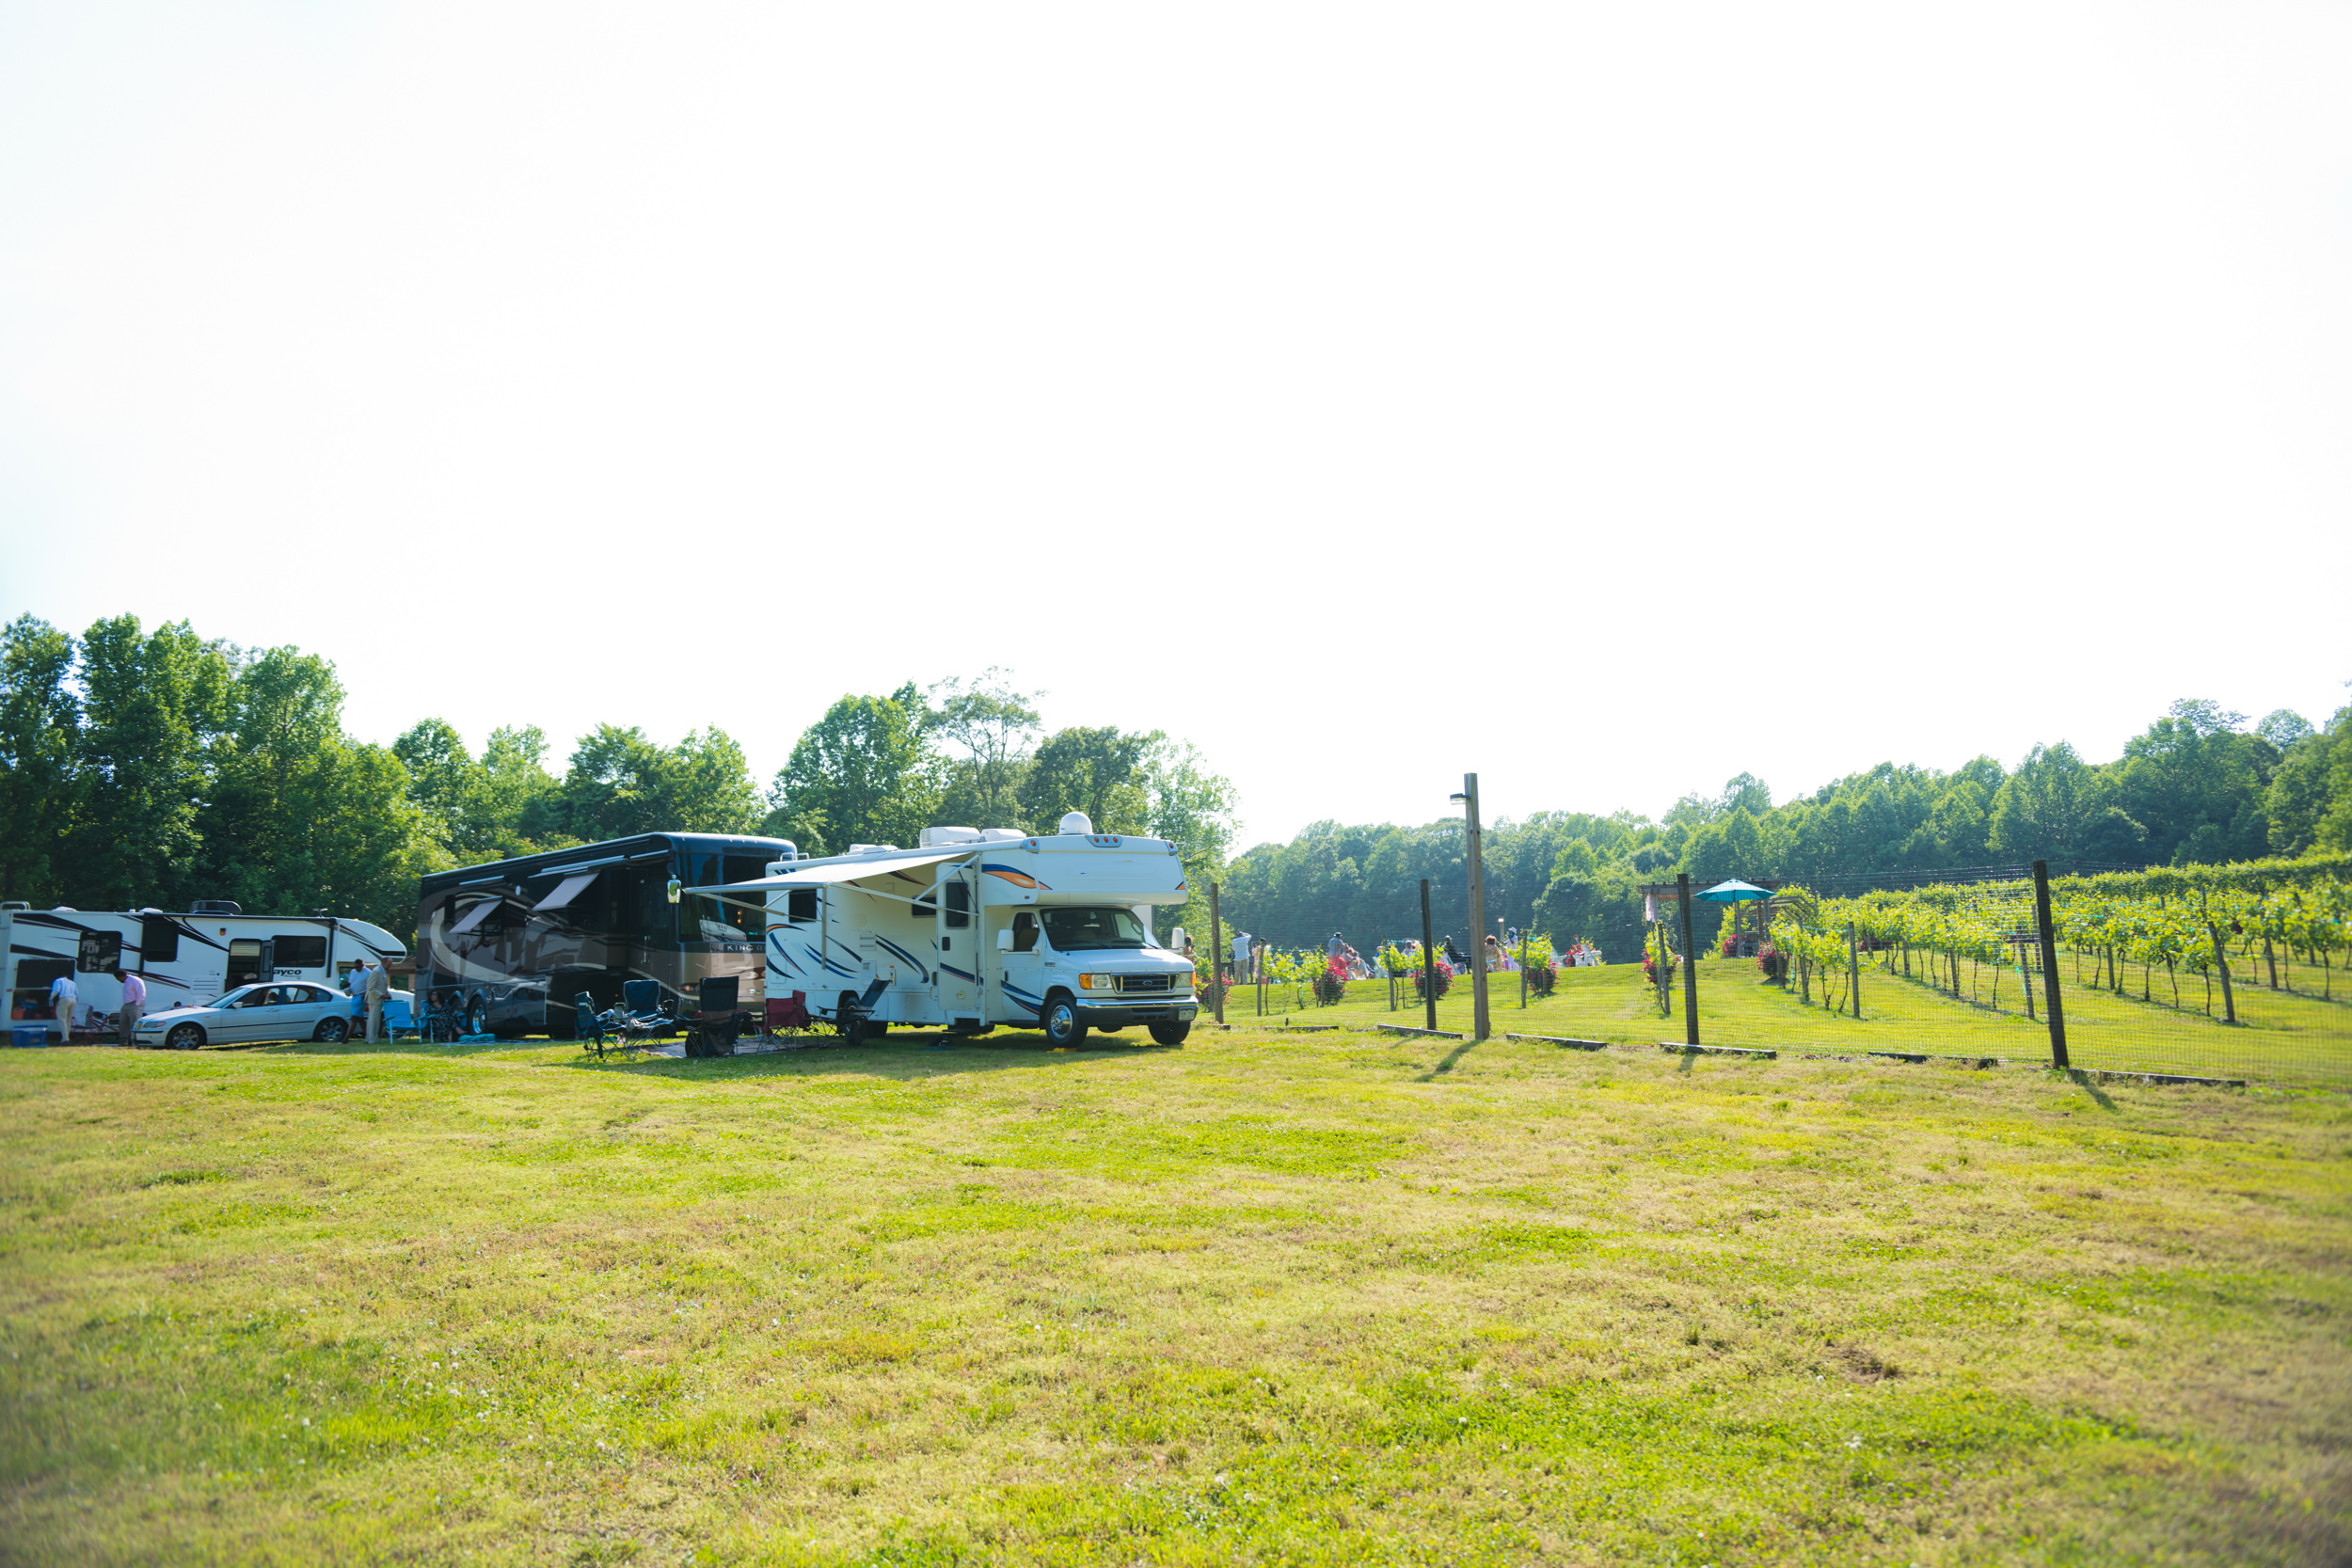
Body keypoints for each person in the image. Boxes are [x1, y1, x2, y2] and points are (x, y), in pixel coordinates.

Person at [360, 958, 391, 1044]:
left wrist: (387, 994)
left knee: (373, 1020)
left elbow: (383, 986)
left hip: (377, 999)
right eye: (389, 963)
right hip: (375, 1000)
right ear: (384, 963)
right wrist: (381, 995)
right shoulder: (376, 971)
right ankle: (372, 1039)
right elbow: (370, 987)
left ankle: (370, 1038)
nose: (390, 965)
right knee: (374, 1020)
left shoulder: (382, 971)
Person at [117, 968, 146, 1048]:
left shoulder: (135, 980)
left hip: (135, 1004)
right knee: (123, 1022)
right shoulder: (126, 982)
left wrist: (137, 1005)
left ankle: (135, 1042)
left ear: (121, 976)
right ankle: (123, 1042)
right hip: (126, 1004)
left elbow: (141, 993)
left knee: (134, 1023)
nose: (118, 980)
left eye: (118, 978)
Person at [48, 971, 78, 1046]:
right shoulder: (72, 983)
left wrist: (50, 998)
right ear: (67, 976)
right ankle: (65, 1038)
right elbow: (77, 994)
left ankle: (65, 1040)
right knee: (68, 1019)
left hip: (64, 999)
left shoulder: (58, 981)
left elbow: (56, 990)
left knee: (62, 1019)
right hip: (73, 1000)